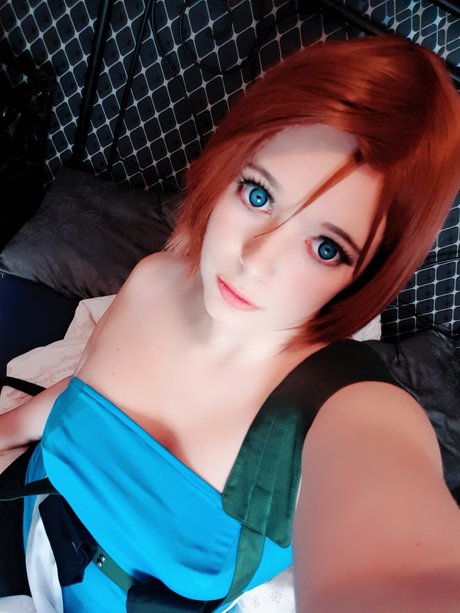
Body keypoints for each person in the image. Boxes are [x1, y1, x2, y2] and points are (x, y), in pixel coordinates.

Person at [1, 34, 460, 612]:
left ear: (367, 274)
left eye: (326, 248)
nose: (256, 259)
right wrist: (8, 429)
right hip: (35, 543)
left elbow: (403, 553)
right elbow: (89, 398)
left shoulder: (347, 413)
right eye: (259, 194)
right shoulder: (154, 282)